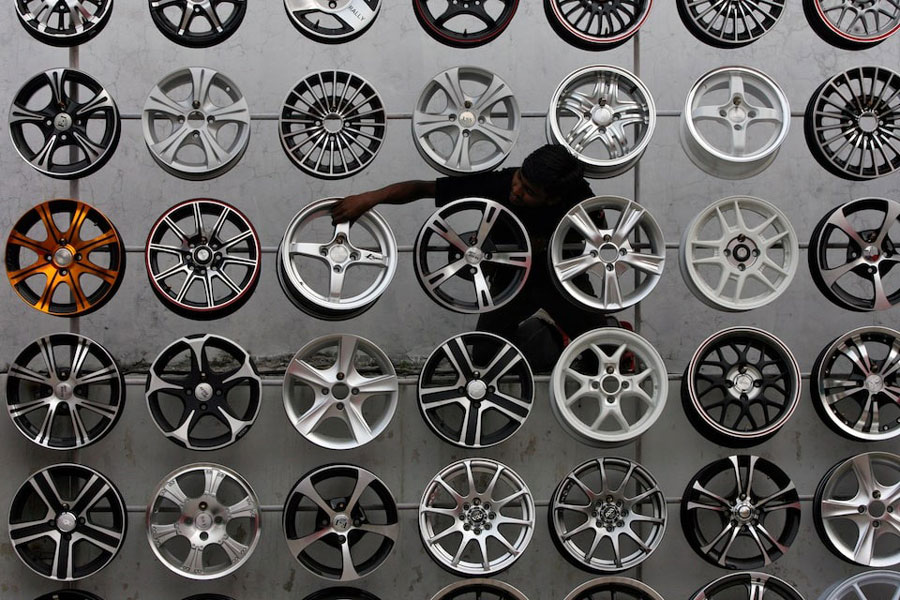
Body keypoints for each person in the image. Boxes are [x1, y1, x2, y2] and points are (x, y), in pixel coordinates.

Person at [332, 144, 617, 372]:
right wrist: (370, 198)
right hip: (511, 283)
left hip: (564, 280)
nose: (516, 192)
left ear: (553, 199)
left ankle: (598, 330)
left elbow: (605, 244)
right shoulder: (500, 183)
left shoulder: (580, 199)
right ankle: (551, 336)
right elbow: (423, 189)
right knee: (484, 356)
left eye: (529, 192)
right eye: (520, 180)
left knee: (602, 357)